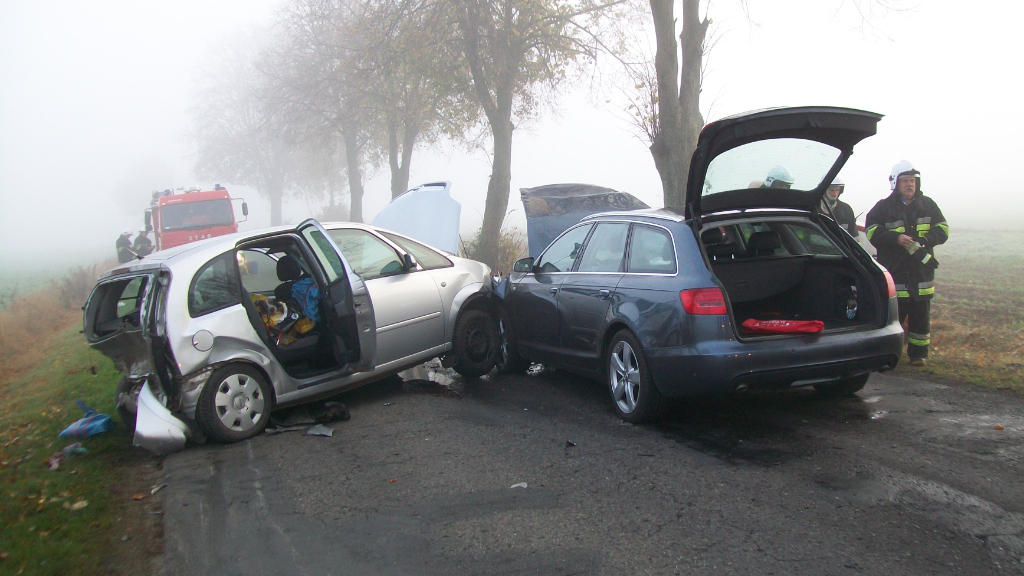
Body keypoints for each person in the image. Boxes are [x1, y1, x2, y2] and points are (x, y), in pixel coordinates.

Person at [865, 160, 948, 366]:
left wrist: (926, 240)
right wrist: (895, 238)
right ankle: (889, 354)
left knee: (921, 318)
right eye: (905, 181)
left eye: (912, 181)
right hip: (896, 273)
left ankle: (918, 356)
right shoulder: (883, 208)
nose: (910, 185)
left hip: (921, 275)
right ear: (896, 183)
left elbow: (943, 229)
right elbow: (871, 231)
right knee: (893, 317)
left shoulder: (928, 205)